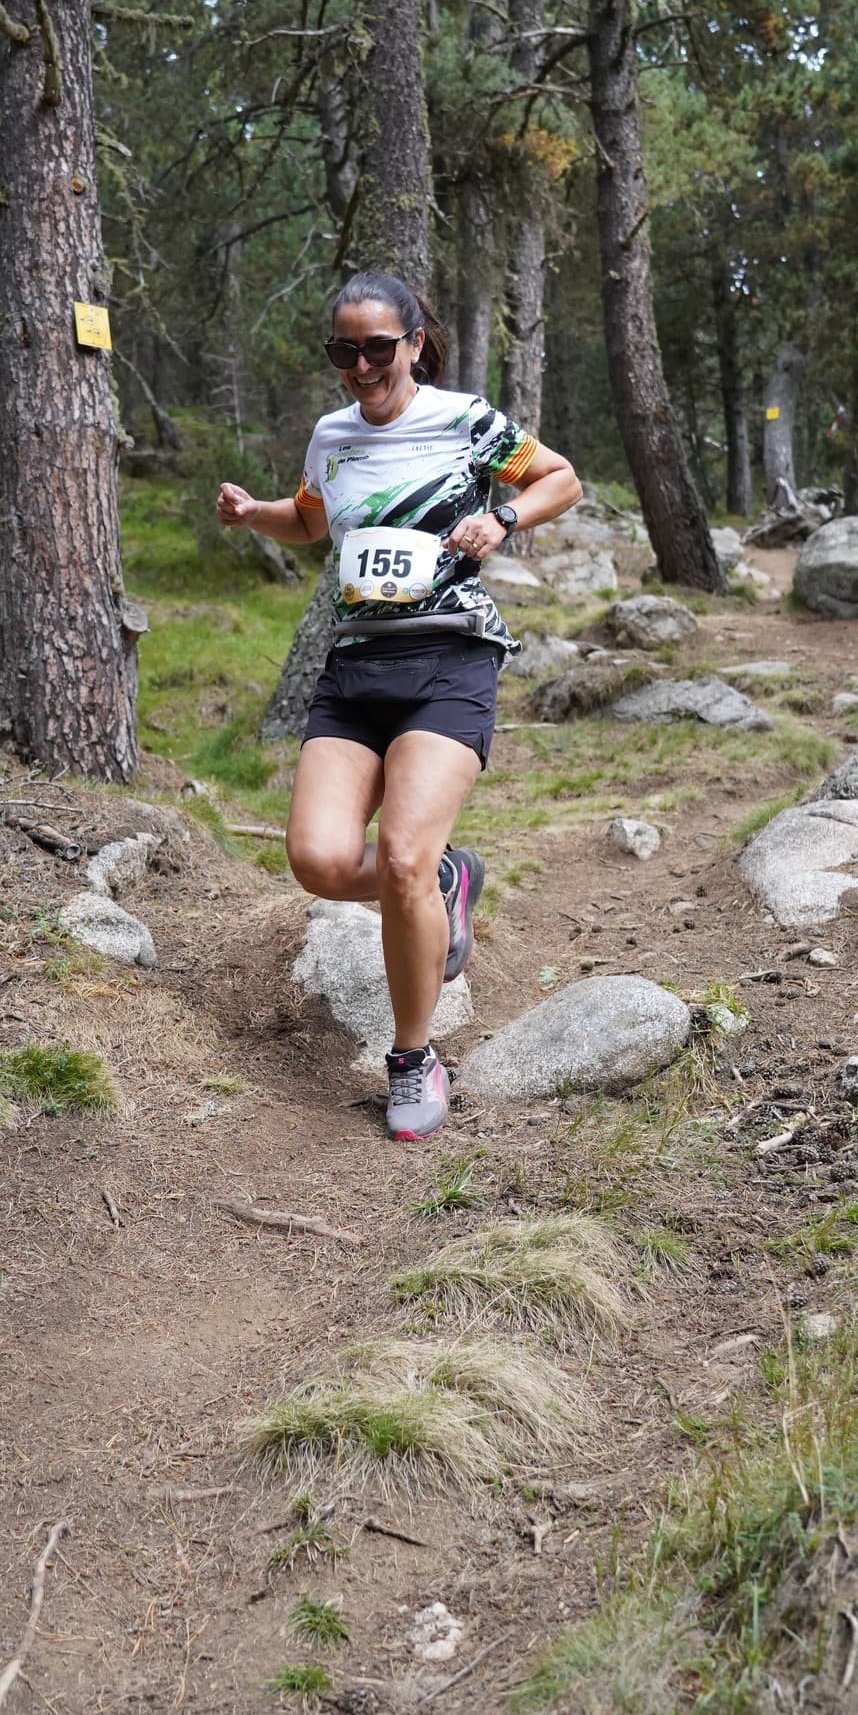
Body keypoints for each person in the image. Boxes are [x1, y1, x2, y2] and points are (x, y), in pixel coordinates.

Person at [217, 270, 581, 1141]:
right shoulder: (331, 435)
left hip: (450, 658)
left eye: (378, 348)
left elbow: (562, 477)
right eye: (343, 351)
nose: (360, 366)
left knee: (403, 859)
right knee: (317, 860)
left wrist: (505, 520)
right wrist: (251, 512)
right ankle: (448, 880)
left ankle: (413, 1058)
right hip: (354, 671)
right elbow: (310, 520)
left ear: (414, 342)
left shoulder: (467, 421)